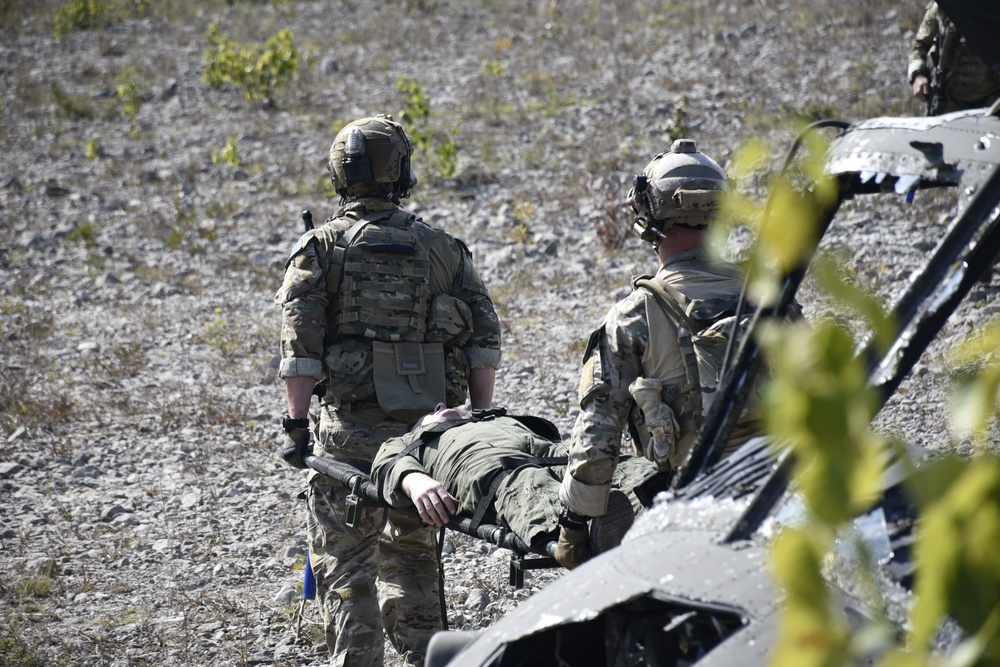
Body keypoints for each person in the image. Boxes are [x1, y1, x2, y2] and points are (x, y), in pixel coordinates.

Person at [275, 114, 502, 667]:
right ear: (400, 172)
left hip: (348, 439)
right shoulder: (443, 248)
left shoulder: (320, 249)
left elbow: (298, 350)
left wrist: (297, 427)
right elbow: (484, 339)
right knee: (414, 561)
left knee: (347, 570)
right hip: (424, 436)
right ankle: (430, 657)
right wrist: (480, 421)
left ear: (340, 174)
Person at [556, 139, 767, 570]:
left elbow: (598, 438)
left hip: (692, 506)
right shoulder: (772, 299)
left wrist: (572, 528)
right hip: (778, 491)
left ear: (649, 215)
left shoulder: (635, 314)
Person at [370, 404, 655, 555]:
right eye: (431, 413)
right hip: (497, 470)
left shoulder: (488, 418)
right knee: (526, 485)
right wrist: (416, 481)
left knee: (600, 467)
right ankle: (589, 528)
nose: (442, 406)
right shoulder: (410, 442)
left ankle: (661, 493)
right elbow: (386, 463)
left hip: (552, 454)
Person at [908, 1, 1000, 115]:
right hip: (948, 101)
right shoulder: (944, 8)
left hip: (993, 102)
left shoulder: (993, 9)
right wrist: (917, 75)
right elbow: (920, 45)